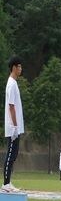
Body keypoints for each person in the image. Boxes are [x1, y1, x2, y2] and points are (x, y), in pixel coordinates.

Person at [3, 56, 24, 192]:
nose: (21, 69)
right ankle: (5, 184)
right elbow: (11, 106)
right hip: (12, 128)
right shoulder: (11, 83)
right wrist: (15, 127)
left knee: (14, 154)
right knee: (10, 154)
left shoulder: (14, 83)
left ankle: (8, 182)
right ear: (14, 68)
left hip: (17, 127)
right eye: (19, 67)